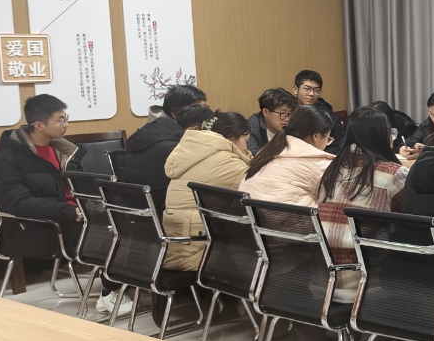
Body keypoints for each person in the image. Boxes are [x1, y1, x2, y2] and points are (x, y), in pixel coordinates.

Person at [0, 95, 130, 316]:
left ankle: (124, 286)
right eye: (60, 120)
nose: (66, 125)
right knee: (114, 233)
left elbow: (79, 188)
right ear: (39, 125)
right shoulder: (8, 159)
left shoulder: (63, 150)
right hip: (36, 227)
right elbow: (19, 203)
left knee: (132, 223)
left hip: (74, 216)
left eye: (66, 118)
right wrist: (71, 212)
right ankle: (110, 292)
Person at [316, 106, 409, 267]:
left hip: (324, 266)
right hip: (368, 269)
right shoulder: (394, 174)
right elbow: (409, 215)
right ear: (383, 137)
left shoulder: (331, 169)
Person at [162, 109, 252, 271]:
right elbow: (257, 187)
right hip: (198, 250)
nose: (247, 148)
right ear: (232, 137)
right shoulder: (223, 162)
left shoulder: (194, 151)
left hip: (181, 243)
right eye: (246, 141)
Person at [118, 83, 207, 214]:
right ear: (175, 114)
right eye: (198, 109)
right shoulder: (175, 147)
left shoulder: (151, 132)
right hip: (160, 211)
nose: (205, 115)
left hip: (132, 211)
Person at [241, 105, 335, 206]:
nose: (326, 144)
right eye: (328, 139)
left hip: (253, 215)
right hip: (287, 216)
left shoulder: (267, 152)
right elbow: (338, 202)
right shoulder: (319, 163)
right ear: (316, 136)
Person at [294, 69, 344, 152]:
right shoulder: (288, 111)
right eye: (307, 89)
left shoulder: (325, 111)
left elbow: (339, 139)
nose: (311, 94)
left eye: (316, 90)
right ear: (296, 89)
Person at [247, 88, 296, 155]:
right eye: (282, 113)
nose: (287, 119)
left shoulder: (294, 122)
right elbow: (254, 155)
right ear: (266, 112)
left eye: (289, 113)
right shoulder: (251, 127)